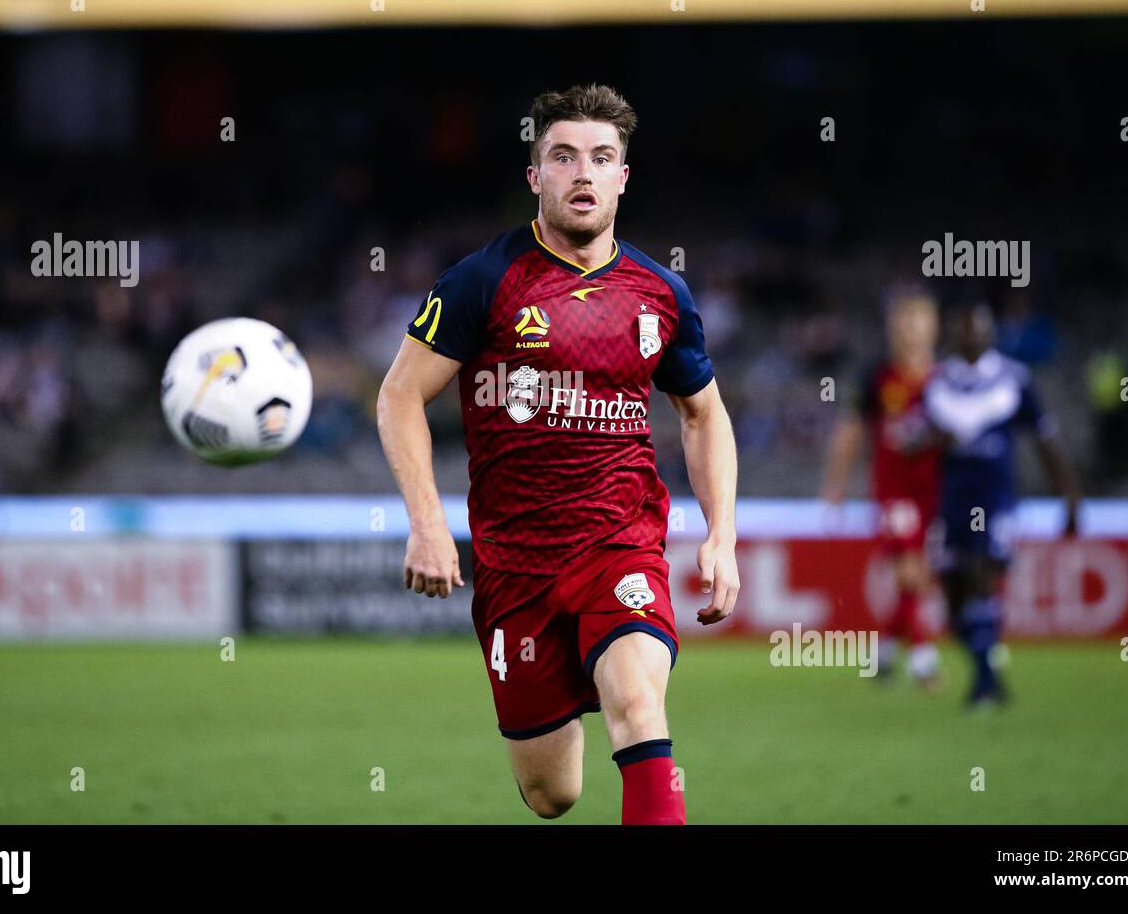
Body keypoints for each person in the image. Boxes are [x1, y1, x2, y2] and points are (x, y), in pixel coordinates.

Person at [376, 84, 739, 823]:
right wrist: (426, 522)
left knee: (639, 702)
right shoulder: (483, 280)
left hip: (620, 543)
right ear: (534, 175)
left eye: (602, 157)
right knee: (553, 793)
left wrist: (722, 535)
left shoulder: (660, 293)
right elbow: (399, 395)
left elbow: (704, 414)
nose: (583, 172)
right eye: (563, 156)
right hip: (516, 566)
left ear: (623, 177)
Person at [923, 299, 1080, 706]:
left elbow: (1045, 440)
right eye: (964, 328)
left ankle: (984, 683)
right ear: (954, 334)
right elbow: (914, 438)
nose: (972, 335)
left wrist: (1071, 497)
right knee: (953, 595)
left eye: (979, 328)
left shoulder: (1014, 379)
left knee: (981, 573)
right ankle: (987, 672)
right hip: (951, 501)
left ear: (990, 333)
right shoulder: (937, 381)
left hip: (995, 499)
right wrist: (926, 441)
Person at [822, 287, 942, 688]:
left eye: (918, 321)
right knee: (910, 570)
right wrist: (835, 484)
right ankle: (924, 659)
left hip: (936, 491)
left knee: (919, 573)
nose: (911, 331)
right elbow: (850, 431)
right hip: (894, 490)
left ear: (933, 327)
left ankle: (884, 653)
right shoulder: (876, 377)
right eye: (904, 322)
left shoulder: (944, 379)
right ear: (893, 328)